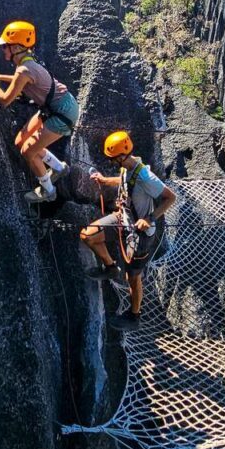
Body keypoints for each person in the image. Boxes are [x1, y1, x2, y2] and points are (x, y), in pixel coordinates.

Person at [0, 20, 79, 203]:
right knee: (21, 141)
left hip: (63, 113)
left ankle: (48, 191)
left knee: (28, 152)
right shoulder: (27, 63)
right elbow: (22, 79)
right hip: (56, 107)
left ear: (17, 47)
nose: (3, 49)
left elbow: (4, 100)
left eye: (5, 46)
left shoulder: (25, 69)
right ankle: (59, 168)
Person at [80, 130, 176, 331]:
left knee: (132, 277)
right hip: (122, 219)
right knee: (88, 235)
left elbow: (170, 197)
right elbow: (125, 181)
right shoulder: (127, 167)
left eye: (114, 159)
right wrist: (106, 180)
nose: (113, 162)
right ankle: (110, 267)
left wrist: (149, 219)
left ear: (122, 156)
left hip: (140, 234)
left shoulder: (145, 175)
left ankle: (134, 316)